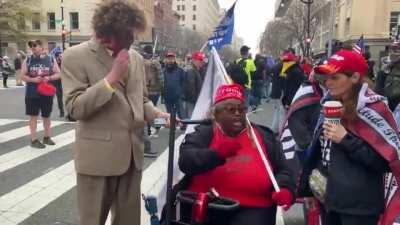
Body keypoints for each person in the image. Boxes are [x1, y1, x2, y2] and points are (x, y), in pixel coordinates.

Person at [60, 1, 170, 225]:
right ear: (106, 34)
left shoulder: (137, 58)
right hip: (97, 160)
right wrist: (111, 79)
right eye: (127, 34)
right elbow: (75, 107)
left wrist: (161, 117)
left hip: (132, 159)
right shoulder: (75, 56)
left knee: (129, 221)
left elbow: (141, 100)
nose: (132, 39)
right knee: (93, 221)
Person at [298, 50, 397, 225]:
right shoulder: (328, 103)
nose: (327, 83)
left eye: (334, 78)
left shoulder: (374, 109)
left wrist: (345, 139)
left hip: (359, 207)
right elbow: (320, 152)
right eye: (326, 78)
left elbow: (384, 162)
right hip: (329, 200)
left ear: (355, 77)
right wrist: (308, 190)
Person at [177, 84, 296, 225]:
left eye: (241, 109)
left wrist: (285, 188)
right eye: (231, 109)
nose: (238, 113)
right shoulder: (205, 133)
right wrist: (216, 154)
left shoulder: (263, 136)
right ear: (216, 113)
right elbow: (186, 161)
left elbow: (284, 169)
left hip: (255, 208)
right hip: (210, 207)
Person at [21, 40, 60, 149]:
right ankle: (33, 139)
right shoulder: (28, 60)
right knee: (33, 116)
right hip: (32, 93)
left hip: (46, 93)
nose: (32, 47)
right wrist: (33, 80)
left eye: (35, 45)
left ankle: (47, 137)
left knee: (46, 116)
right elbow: (22, 76)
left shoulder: (50, 59)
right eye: (31, 46)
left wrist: (49, 78)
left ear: (42, 47)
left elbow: (58, 73)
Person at [142, 44, 163, 157]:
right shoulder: (155, 62)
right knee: (152, 113)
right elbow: (161, 78)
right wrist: (161, 90)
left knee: (147, 114)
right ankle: (159, 124)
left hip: (144, 91)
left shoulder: (140, 61)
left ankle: (152, 128)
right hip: (154, 92)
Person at [375, 40, 400, 111]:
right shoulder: (384, 71)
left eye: (396, 51)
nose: (393, 53)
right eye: (392, 50)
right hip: (389, 110)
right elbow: (378, 92)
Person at [182, 51, 205, 119]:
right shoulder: (191, 71)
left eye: (202, 59)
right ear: (194, 60)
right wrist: (196, 100)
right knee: (191, 119)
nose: (202, 61)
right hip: (191, 101)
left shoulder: (198, 70)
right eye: (200, 59)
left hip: (195, 100)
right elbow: (190, 88)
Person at [163, 50, 185, 119]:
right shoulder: (163, 71)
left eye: (172, 58)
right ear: (166, 59)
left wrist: (182, 93)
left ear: (174, 58)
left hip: (178, 96)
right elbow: (161, 84)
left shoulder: (180, 70)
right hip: (167, 96)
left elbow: (184, 83)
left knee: (181, 113)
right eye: (168, 58)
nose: (170, 60)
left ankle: (183, 126)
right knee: (169, 114)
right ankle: (172, 127)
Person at [51, 50, 65, 118]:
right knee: (50, 98)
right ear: (57, 57)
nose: (61, 57)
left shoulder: (63, 63)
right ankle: (47, 110)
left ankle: (61, 111)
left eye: (61, 56)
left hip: (60, 83)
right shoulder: (54, 63)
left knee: (60, 98)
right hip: (53, 83)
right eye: (60, 56)